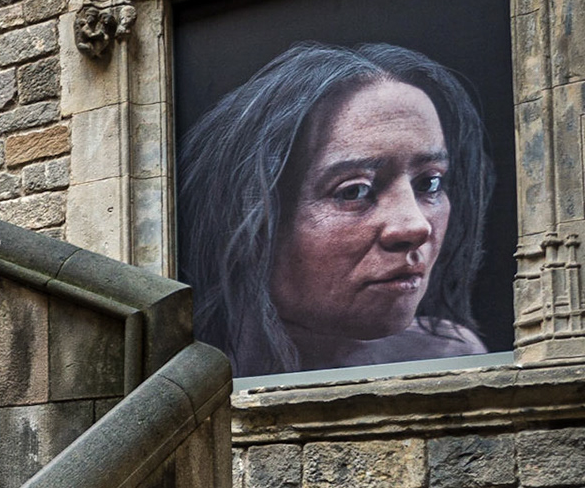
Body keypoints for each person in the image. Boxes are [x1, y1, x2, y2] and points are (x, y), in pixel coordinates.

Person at [177, 41, 493, 376]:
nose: (416, 227)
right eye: (354, 191)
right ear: (251, 217)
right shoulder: (191, 381)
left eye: (429, 183)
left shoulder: (447, 358)